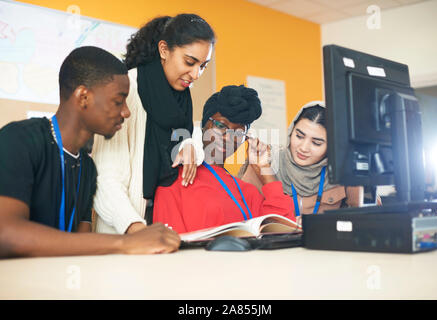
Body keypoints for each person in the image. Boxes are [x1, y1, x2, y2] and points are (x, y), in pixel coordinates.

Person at [0, 46, 180, 258]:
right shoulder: (20, 140)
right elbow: (6, 235)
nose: (126, 111)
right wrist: (126, 242)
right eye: (118, 100)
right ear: (83, 97)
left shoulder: (86, 167)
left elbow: (81, 245)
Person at [91, 14, 216, 234]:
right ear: (164, 50)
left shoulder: (182, 97)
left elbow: (191, 135)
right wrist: (135, 228)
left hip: (167, 221)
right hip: (125, 229)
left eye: (203, 66)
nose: (196, 75)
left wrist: (189, 144)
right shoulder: (126, 90)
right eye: (190, 62)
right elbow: (106, 180)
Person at [152, 85, 297, 234]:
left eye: (239, 133)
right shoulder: (178, 176)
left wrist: (265, 170)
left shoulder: (247, 192)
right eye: (220, 125)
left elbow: (283, 230)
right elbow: (166, 241)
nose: (228, 137)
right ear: (203, 125)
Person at [239, 101, 362, 223]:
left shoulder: (342, 171)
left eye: (316, 143)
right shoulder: (264, 161)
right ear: (291, 131)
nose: (303, 148)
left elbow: (369, 216)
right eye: (299, 136)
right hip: (269, 241)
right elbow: (241, 211)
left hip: (321, 241)